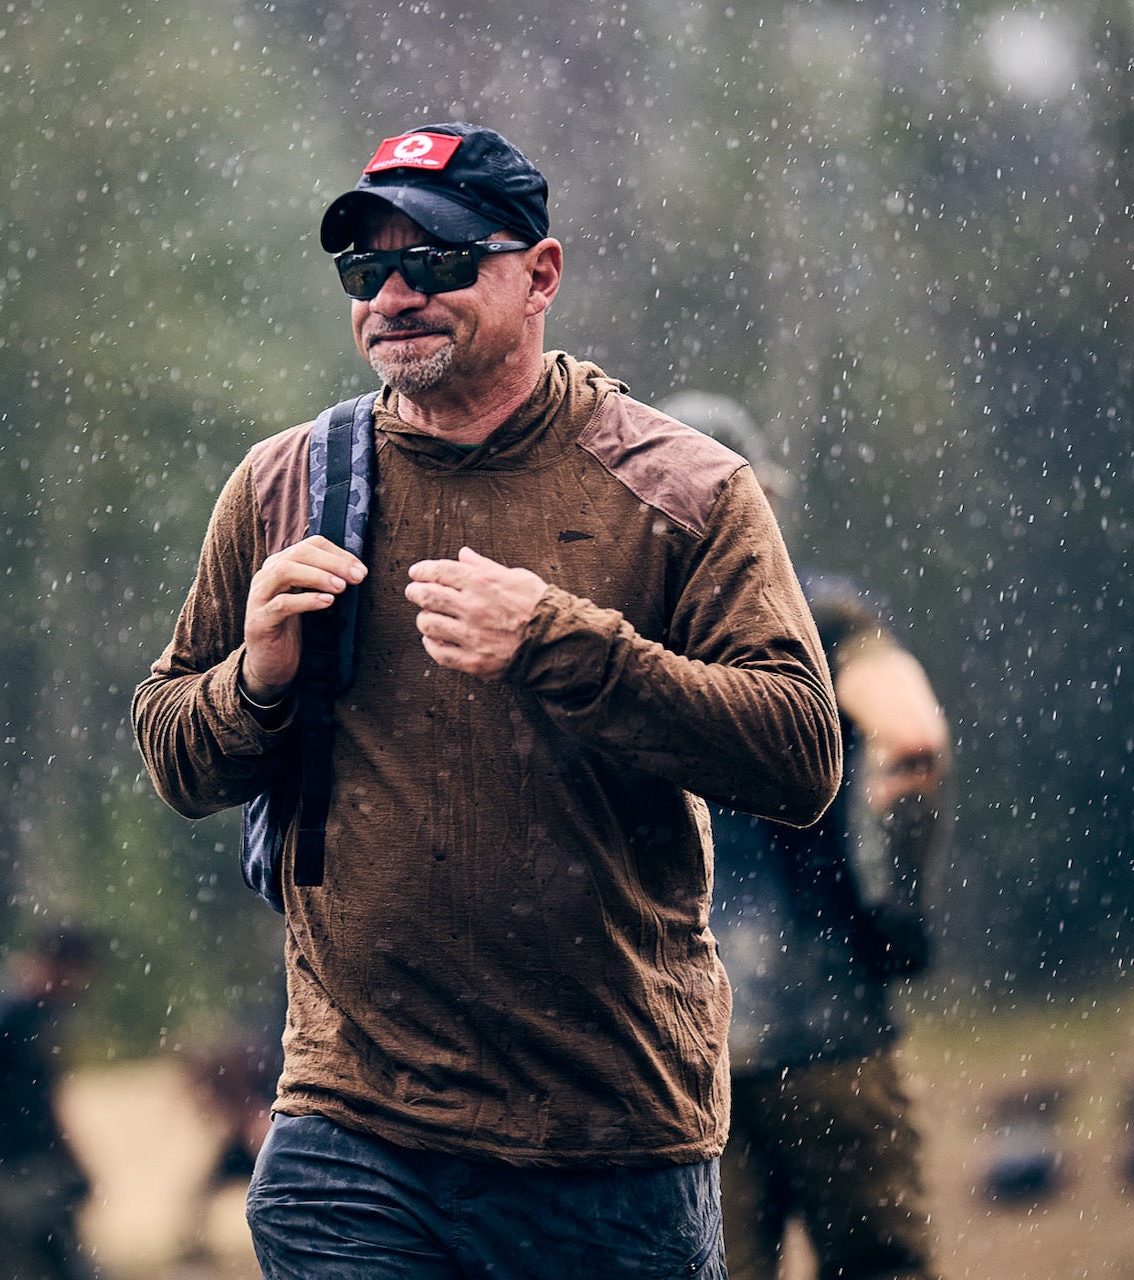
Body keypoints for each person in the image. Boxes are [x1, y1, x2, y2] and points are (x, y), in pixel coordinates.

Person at [132, 121, 843, 1280]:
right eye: (367, 269)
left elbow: (800, 754)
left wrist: (566, 642)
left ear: (540, 274)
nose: (396, 293)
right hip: (351, 1128)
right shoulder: (283, 484)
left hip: (608, 1138)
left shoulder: (681, 489)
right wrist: (253, 676)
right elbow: (174, 752)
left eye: (441, 260)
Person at [660, 392, 951, 1280]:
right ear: (761, 502)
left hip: (677, 1051)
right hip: (827, 1027)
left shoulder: (610, 649)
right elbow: (911, 739)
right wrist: (892, 901)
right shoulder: (816, 618)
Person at [0, 926, 103, 1280]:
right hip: (9, 1165)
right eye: (74, 974)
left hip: (35, 1163)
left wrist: (70, 1156)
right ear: (57, 963)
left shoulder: (36, 1016)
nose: (76, 987)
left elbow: (43, 1097)